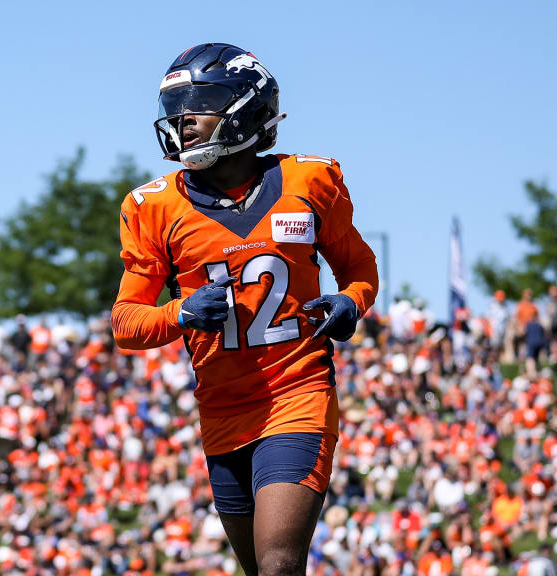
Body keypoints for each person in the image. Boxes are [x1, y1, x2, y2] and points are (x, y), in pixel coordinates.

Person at [110, 43, 378, 576]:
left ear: (243, 107)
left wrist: (352, 301)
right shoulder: (155, 206)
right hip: (221, 408)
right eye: (176, 109)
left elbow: (360, 268)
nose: (182, 121)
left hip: (296, 392)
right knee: (259, 568)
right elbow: (125, 322)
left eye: (197, 105)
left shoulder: (309, 182)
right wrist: (179, 313)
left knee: (279, 563)